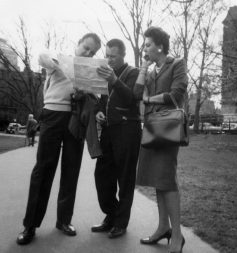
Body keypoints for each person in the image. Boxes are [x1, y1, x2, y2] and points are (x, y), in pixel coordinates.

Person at [16, 33, 101, 245]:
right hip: (53, 116)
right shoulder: (60, 60)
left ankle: (64, 220)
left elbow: (98, 94)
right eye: (86, 47)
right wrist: (72, 71)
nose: (88, 53)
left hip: (76, 119)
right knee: (43, 169)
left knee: (71, 170)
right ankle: (30, 225)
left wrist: (86, 91)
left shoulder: (90, 70)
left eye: (92, 52)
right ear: (78, 43)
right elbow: (42, 57)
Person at [134, 26, 188, 253]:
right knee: (158, 179)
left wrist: (149, 99)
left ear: (159, 46)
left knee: (166, 178)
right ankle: (162, 227)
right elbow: (137, 94)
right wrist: (143, 71)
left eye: (147, 45)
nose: (145, 48)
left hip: (168, 129)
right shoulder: (151, 70)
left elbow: (176, 94)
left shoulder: (177, 64)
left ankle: (177, 235)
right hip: (152, 129)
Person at [91, 39, 141, 239]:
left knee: (125, 178)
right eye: (107, 55)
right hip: (109, 130)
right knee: (102, 175)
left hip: (128, 130)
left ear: (123, 55)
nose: (109, 59)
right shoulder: (104, 74)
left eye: (113, 56)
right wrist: (98, 112)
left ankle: (121, 223)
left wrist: (114, 80)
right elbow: (101, 101)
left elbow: (131, 98)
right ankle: (111, 215)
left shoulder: (134, 73)